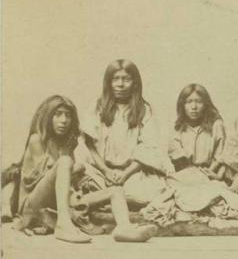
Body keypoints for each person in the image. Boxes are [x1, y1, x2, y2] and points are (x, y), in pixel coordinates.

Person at [17, 95, 155, 243]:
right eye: (58, 114)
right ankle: (63, 225)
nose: (64, 120)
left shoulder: (66, 144)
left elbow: (67, 180)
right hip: (34, 205)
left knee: (116, 190)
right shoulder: (36, 140)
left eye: (68, 115)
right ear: (46, 117)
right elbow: (47, 178)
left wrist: (78, 178)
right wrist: (76, 167)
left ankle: (124, 228)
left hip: (62, 201)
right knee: (66, 161)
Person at [78, 59, 168, 208]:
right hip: (102, 170)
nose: (120, 84)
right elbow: (89, 144)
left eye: (126, 79)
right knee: (80, 177)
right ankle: (109, 199)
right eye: (115, 79)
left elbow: (148, 147)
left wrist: (125, 174)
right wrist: (106, 170)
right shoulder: (98, 106)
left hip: (132, 172)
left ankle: (107, 200)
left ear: (135, 83)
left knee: (147, 193)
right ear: (109, 83)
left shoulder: (144, 110)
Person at [168, 84, 226, 180]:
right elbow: (178, 160)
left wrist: (208, 174)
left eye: (199, 102)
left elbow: (221, 156)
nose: (194, 107)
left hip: (210, 175)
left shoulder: (216, 125)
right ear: (182, 105)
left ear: (206, 105)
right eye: (188, 102)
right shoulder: (177, 129)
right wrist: (195, 176)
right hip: (185, 175)